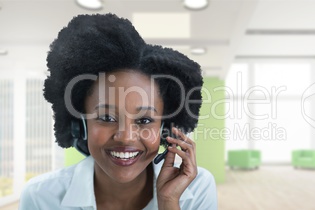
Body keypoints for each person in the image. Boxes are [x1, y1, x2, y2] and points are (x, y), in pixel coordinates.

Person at [19, 13, 217, 210]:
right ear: (81, 124)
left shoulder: (197, 188)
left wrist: (168, 202)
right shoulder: (40, 198)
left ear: (164, 129)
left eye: (145, 120)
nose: (126, 137)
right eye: (106, 117)